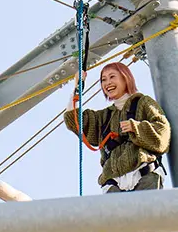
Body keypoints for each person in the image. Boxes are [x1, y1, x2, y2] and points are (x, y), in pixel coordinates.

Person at [64, 62, 171, 193]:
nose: (107, 83)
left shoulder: (142, 103)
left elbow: (162, 132)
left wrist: (136, 127)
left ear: (125, 78)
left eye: (112, 77)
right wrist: (77, 88)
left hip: (144, 175)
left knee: (146, 213)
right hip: (113, 183)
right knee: (116, 213)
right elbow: (74, 120)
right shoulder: (104, 116)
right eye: (103, 80)